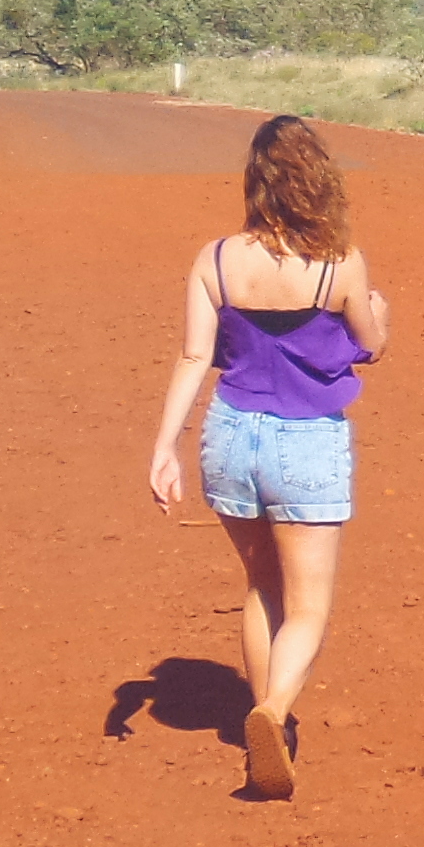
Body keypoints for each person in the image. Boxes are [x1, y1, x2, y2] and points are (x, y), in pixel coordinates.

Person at [146, 115, 392, 797]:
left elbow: (196, 355)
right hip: (306, 439)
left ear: (255, 182)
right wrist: (381, 311)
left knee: (262, 586)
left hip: (230, 434)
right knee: (309, 605)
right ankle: (272, 711)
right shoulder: (340, 264)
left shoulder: (216, 259)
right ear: (318, 179)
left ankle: (267, 733)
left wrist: (164, 445)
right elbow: (370, 342)